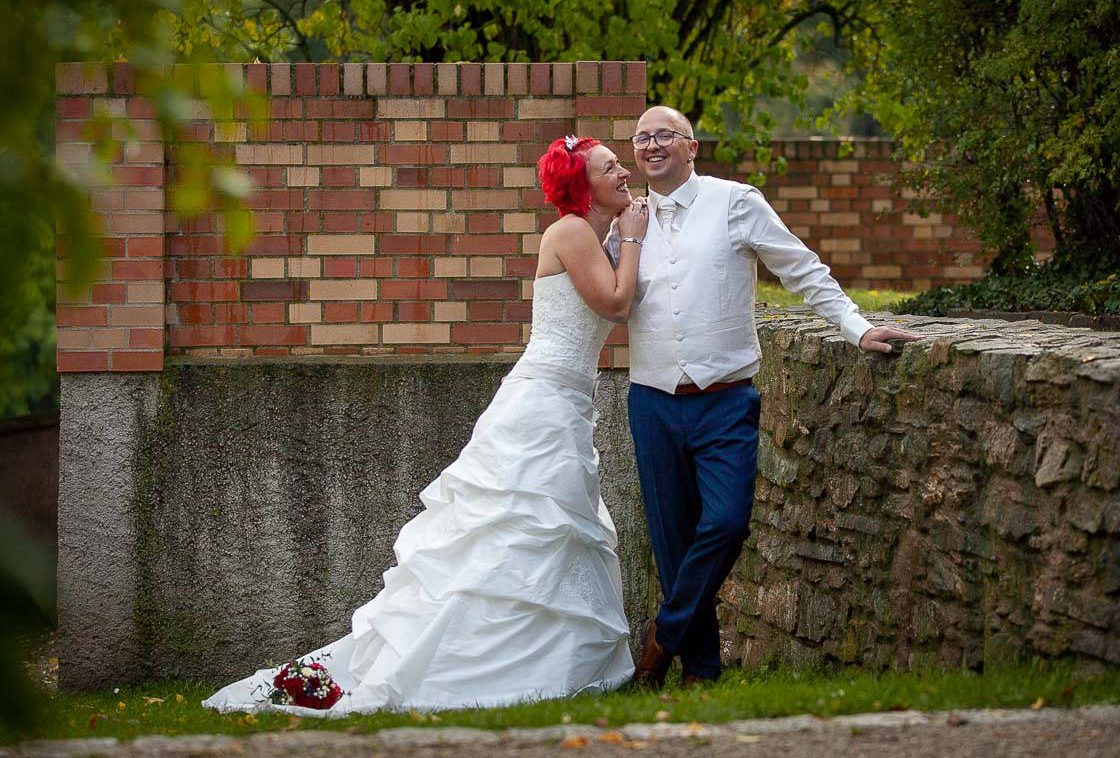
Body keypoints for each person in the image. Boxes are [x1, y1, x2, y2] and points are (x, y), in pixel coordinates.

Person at [203, 136, 649, 716]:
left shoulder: (595, 235)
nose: (622, 172)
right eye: (609, 167)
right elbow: (616, 304)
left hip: (567, 403)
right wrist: (633, 238)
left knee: (548, 530)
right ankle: (461, 666)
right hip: (542, 403)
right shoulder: (570, 232)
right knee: (518, 527)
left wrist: (626, 238)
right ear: (582, 186)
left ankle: (535, 661)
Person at [621, 106, 920, 688]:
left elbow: (801, 269)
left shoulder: (736, 202)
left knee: (727, 524)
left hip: (725, 401)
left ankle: (662, 637)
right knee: (673, 543)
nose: (652, 145)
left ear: (691, 147)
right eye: (642, 138)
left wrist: (856, 327)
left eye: (664, 135)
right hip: (652, 402)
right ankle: (700, 674)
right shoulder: (627, 222)